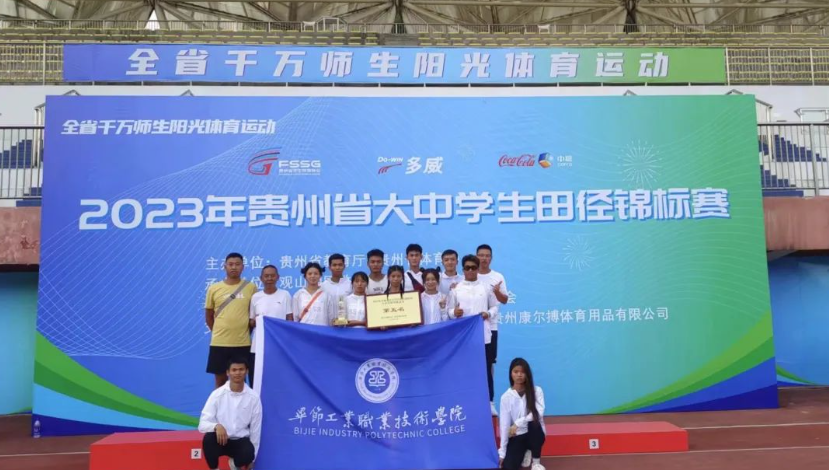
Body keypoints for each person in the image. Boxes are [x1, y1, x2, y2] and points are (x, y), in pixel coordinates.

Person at [446, 255, 498, 399]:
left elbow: (495, 307)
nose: (470, 270)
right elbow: (449, 311)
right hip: (463, 337)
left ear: (478, 269)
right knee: (464, 368)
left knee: (485, 368)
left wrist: (488, 313)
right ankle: (465, 400)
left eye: (473, 268)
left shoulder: (486, 288)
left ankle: (489, 402)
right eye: (467, 268)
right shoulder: (456, 289)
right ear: (463, 269)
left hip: (483, 336)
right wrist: (454, 312)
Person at [205, 253, 258, 389]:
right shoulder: (214, 288)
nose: (234, 267)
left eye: (237, 264)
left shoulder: (251, 287)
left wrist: (244, 330)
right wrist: (219, 331)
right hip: (219, 343)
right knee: (220, 383)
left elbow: (253, 315)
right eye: (231, 264)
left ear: (243, 267)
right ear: (225, 267)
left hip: (242, 343)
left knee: (241, 382)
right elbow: (209, 315)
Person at [199, 359, 262, 470]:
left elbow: (255, 430)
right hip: (221, 439)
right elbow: (202, 424)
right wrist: (216, 426)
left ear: (247, 371)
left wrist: (252, 459)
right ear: (228, 372)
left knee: (249, 452)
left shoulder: (254, 398)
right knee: (208, 440)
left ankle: (234, 465)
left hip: (240, 441)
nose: (238, 373)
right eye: (234, 370)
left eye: (241, 369)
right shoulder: (217, 395)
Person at [477, 244, 509, 415]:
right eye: (481, 255)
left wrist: (496, 292)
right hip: (470, 329)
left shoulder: (497, 277)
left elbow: (504, 300)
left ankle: (489, 401)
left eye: (487, 255)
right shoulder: (469, 276)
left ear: (491, 258)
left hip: (491, 327)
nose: (484, 258)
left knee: (488, 364)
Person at [248, 265, 293, 387]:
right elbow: (251, 321)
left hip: (278, 345)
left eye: (272, 276)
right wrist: (258, 321)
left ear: (278, 277)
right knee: (256, 380)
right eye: (266, 276)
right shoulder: (255, 297)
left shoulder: (285, 295)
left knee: (278, 380)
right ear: (261, 278)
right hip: (258, 346)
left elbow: (289, 319)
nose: (269, 278)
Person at [498, 358, 546, 470]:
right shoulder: (506, 397)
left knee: (533, 423)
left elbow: (538, 413)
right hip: (517, 435)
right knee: (508, 467)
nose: (519, 375)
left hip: (534, 433)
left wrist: (518, 423)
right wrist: (502, 453)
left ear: (527, 374)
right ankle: (526, 451)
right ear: (511, 374)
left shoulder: (537, 391)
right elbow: (504, 425)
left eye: (522, 372)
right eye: (516, 372)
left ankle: (536, 463)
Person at [293, 262, 337, 326]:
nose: (313, 276)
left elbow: (331, 318)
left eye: (316, 274)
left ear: (320, 276)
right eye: (309, 274)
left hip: (321, 331)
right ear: (305, 276)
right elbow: (295, 318)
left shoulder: (326, 295)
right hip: (303, 331)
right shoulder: (298, 295)